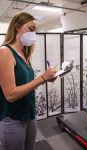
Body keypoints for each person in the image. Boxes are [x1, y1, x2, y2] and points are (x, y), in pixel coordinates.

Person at [0, 12, 57, 150]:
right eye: (30, 29)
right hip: (13, 117)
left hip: (29, 113)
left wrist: (47, 79)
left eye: (35, 30)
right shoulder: (5, 52)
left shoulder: (25, 55)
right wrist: (42, 78)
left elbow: (27, 86)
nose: (33, 34)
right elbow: (10, 94)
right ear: (17, 27)